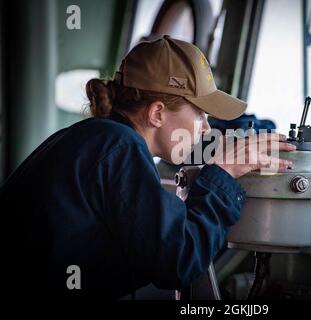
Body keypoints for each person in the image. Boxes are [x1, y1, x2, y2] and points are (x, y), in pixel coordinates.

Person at [1, 35, 295, 298]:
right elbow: (178, 262)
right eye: (201, 114)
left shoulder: (98, 138)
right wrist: (225, 173)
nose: (207, 128)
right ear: (157, 113)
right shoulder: (120, 148)